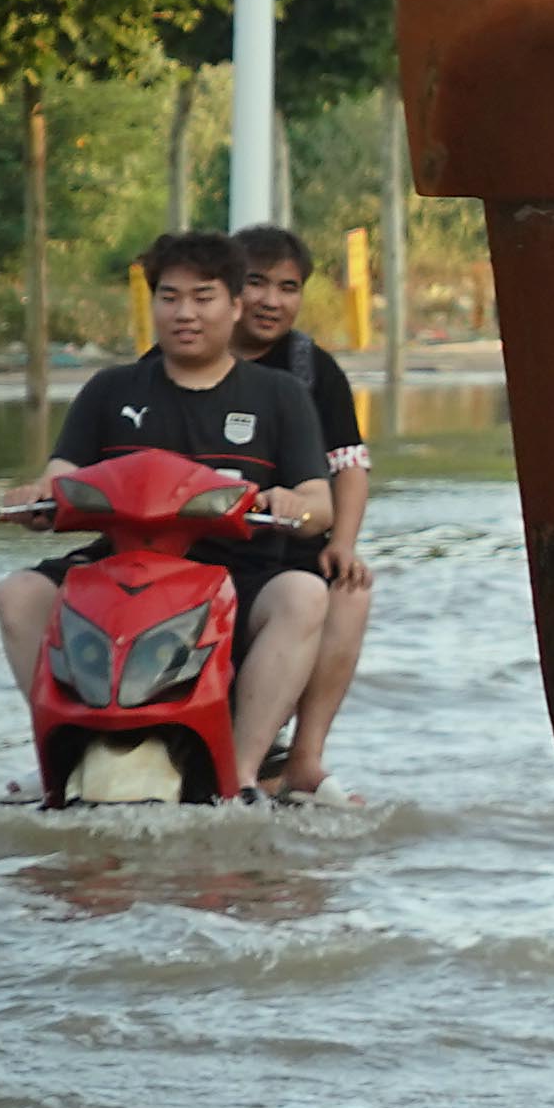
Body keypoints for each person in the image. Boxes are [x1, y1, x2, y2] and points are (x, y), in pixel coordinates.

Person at [0, 233, 334, 799]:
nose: (185, 313)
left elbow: (319, 502)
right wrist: (34, 499)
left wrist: (295, 503)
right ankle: (56, 758)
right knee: (15, 594)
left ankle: (243, 773)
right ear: (152, 305)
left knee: (304, 595)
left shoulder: (279, 395)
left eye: (203, 298)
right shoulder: (111, 389)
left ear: (234, 306)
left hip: (234, 577)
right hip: (116, 568)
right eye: (169, 297)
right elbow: (61, 479)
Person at [226, 222, 370, 793]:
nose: (270, 300)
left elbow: (349, 465)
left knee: (350, 591)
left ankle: (303, 759)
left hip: (290, 544)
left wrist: (343, 545)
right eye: (256, 283)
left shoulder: (312, 370)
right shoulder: (169, 361)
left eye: (288, 288)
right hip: (199, 546)